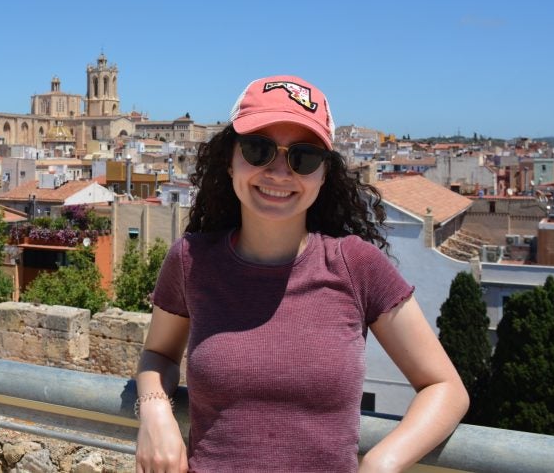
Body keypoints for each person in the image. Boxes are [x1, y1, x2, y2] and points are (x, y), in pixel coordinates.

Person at [134, 75, 468, 473]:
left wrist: (383, 461)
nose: (278, 172)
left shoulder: (356, 266)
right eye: (258, 150)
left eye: (303, 157)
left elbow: (445, 387)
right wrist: (156, 414)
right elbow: (158, 355)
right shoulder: (192, 260)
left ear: (323, 174)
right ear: (230, 159)